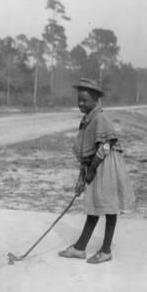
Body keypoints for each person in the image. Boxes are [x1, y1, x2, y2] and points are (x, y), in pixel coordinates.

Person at [58, 78, 135, 264]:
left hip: (106, 165)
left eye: (84, 100)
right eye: (79, 100)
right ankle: (80, 248)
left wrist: (90, 172)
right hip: (95, 164)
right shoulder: (86, 120)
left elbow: (105, 147)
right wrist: (81, 178)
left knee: (109, 207)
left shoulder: (101, 118)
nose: (80, 103)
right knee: (94, 206)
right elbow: (86, 155)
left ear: (95, 100)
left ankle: (106, 250)